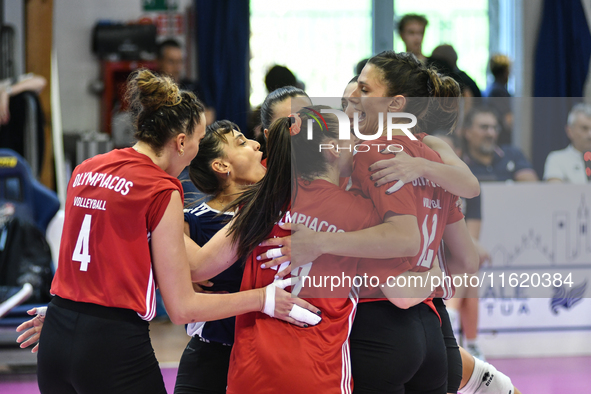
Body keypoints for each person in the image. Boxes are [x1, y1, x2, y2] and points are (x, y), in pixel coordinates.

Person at [17, 69, 319, 394]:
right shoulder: (160, 188)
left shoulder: (87, 169)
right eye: (200, 141)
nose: (197, 152)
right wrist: (263, 298)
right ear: (180, 142)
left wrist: (74, 320)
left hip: (57, 330)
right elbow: (182, 307)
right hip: (112, 342)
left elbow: (93, 262)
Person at [174, 120, 266, 394]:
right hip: (208, 359)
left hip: (264, 355)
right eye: (241, 142)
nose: (256, 144)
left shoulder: (278, 212)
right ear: (222, 166)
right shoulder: (189, 222)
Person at [544, 103, 591, 183]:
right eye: (584, 128)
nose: (590, 134)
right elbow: (555, 192)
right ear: (570, 131)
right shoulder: (557, 159)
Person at [485, 54, 513, 145]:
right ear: (505, 72)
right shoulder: (498, 91)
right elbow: (508, 121)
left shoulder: (491, 88)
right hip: (501, 139)